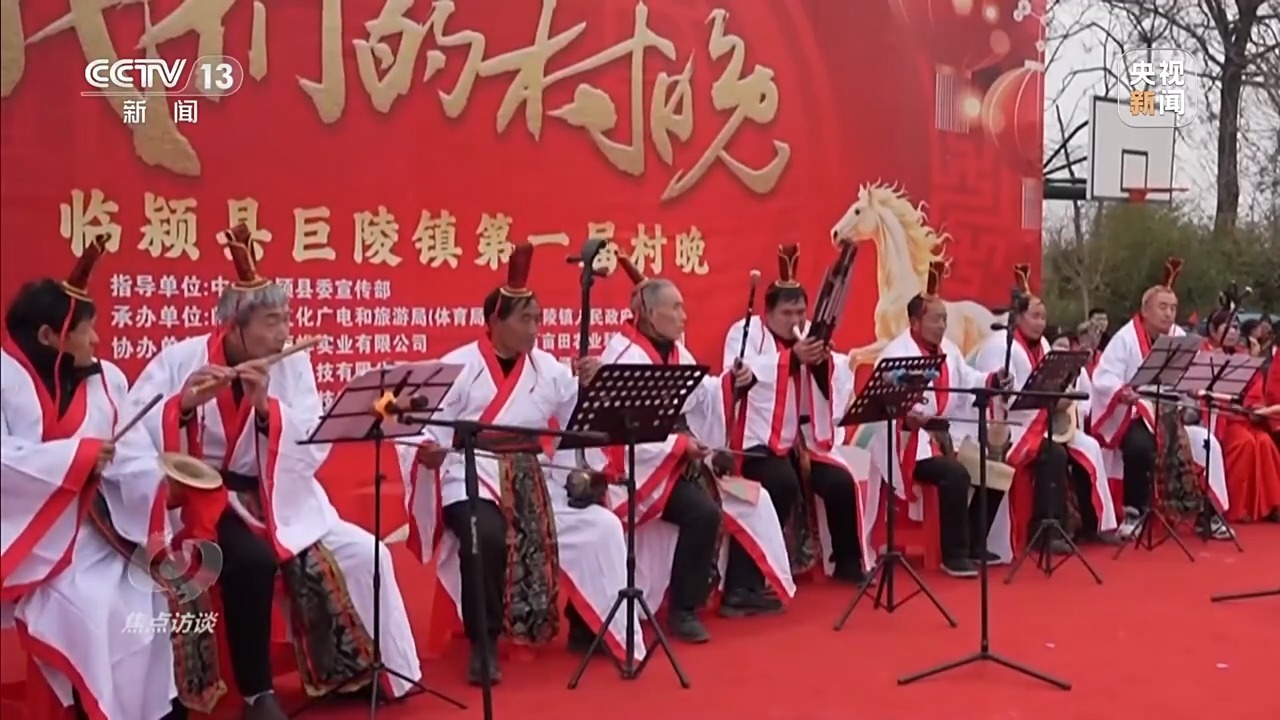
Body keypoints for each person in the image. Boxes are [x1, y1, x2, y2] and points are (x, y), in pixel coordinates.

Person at [110, 225, 421, 719]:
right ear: (234, 327)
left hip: (281, 497)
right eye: (273, 322)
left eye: (287, 319)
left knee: (370, 553)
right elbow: (134, 431)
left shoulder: (292, 365)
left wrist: (264, 411)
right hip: (205, 499)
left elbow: (311, 440)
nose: (284, 333)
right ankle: (258, 693)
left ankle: (371, 671)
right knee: (253, 563)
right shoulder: (181, 360)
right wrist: (183, 407)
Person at [394, 242, 639, 685]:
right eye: (525, 319)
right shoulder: (458, 365)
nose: (534, 329)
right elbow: (426, 426)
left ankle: (595, 626)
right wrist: (428, 450)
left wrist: (591, 384)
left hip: (532, 481)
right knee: (485, 534)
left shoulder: (548, 370)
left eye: (537, 319)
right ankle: (483, 642)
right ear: (495, 322)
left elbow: (578, 421)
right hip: (471, 473)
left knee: (601, 525)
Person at [1, 239, 191, 720]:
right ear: (50, 336)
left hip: (96, 529)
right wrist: (78, 457)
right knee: (93, 606)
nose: (98, 341)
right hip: (28, 540)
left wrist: (155, 482)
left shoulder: (106, 379)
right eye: (88, 331)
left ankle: (150, 710)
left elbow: (133, 454)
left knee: (146, 594)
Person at [580, 257, 794, 644]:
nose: (684, 316)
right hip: (633, 466)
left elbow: (701, 394)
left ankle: (736, 589)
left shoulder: (676, 351)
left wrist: (732, 382)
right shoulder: (624, 356)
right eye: (675, 308)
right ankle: (681, 609)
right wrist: (681, 445)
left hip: (672, 458)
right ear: (649, 314)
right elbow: (625, 431)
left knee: (749, 497)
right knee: (703, 513)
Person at [719, 244, 868, 590]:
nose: (797, 320)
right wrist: (791, 360)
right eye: (787, 313)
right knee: (781, 483)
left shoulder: (810, 335)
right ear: (768, 313)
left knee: (839, 482)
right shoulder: (744, 332)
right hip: (756, 439)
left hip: (801, 440)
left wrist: (822, 364)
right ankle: (756, 577)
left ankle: (847, 562)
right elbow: (737, 374)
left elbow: (837, 380)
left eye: (801, 312)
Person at [862, 260, 1013, 578]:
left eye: (944, 318)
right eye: (936, 319)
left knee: (994, 470)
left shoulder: (948, 349)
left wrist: (994, 379)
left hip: (944, 436)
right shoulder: (896, 354)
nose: (943, 325)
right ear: (915, 322)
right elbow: (891, 405)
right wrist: (918, 421)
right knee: (954, 474)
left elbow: (967, 378)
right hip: (909, 443)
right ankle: (952, 555)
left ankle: (973, 542)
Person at [971, 267, 1116, 556]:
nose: (1040, 323)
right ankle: (1045, 530)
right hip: (1011, 426)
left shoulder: (1045, 345)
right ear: (1017, 317)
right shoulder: (1000, 347)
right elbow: (999, 398)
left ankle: (1094, 524)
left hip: (1041, 420)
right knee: (1054, 454)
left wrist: (1060, 396)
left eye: (1043, 317)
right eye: (1034, 316)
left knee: (1089, 446)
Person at [1088, 258, 1231, 541]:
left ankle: (1210, 514)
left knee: (1207, 443)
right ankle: (1134, 512)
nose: (1169, 314)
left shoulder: (1179, 336)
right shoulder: (1125, 338)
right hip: (1133, 415)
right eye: (1163, 307)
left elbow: (1192, 373)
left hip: (1169, 415)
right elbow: (1104, 378)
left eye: (1173, 308)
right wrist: (1123, 392)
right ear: (1145, 310)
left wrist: (1197, 383)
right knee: (1140, 446)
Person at [1199, 310, 1280, 523]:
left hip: (1244, 416)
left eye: (1235, 327)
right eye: (1227, 327)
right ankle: (1236, 505)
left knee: (1264, 442)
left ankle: (1272, 504)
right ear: (1212, 330)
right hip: (1221, 418)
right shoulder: (1203, 353)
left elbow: (1256, 389)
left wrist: (1255, 407)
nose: (1233, 332)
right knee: (1244, 443)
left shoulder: (1242, 356)